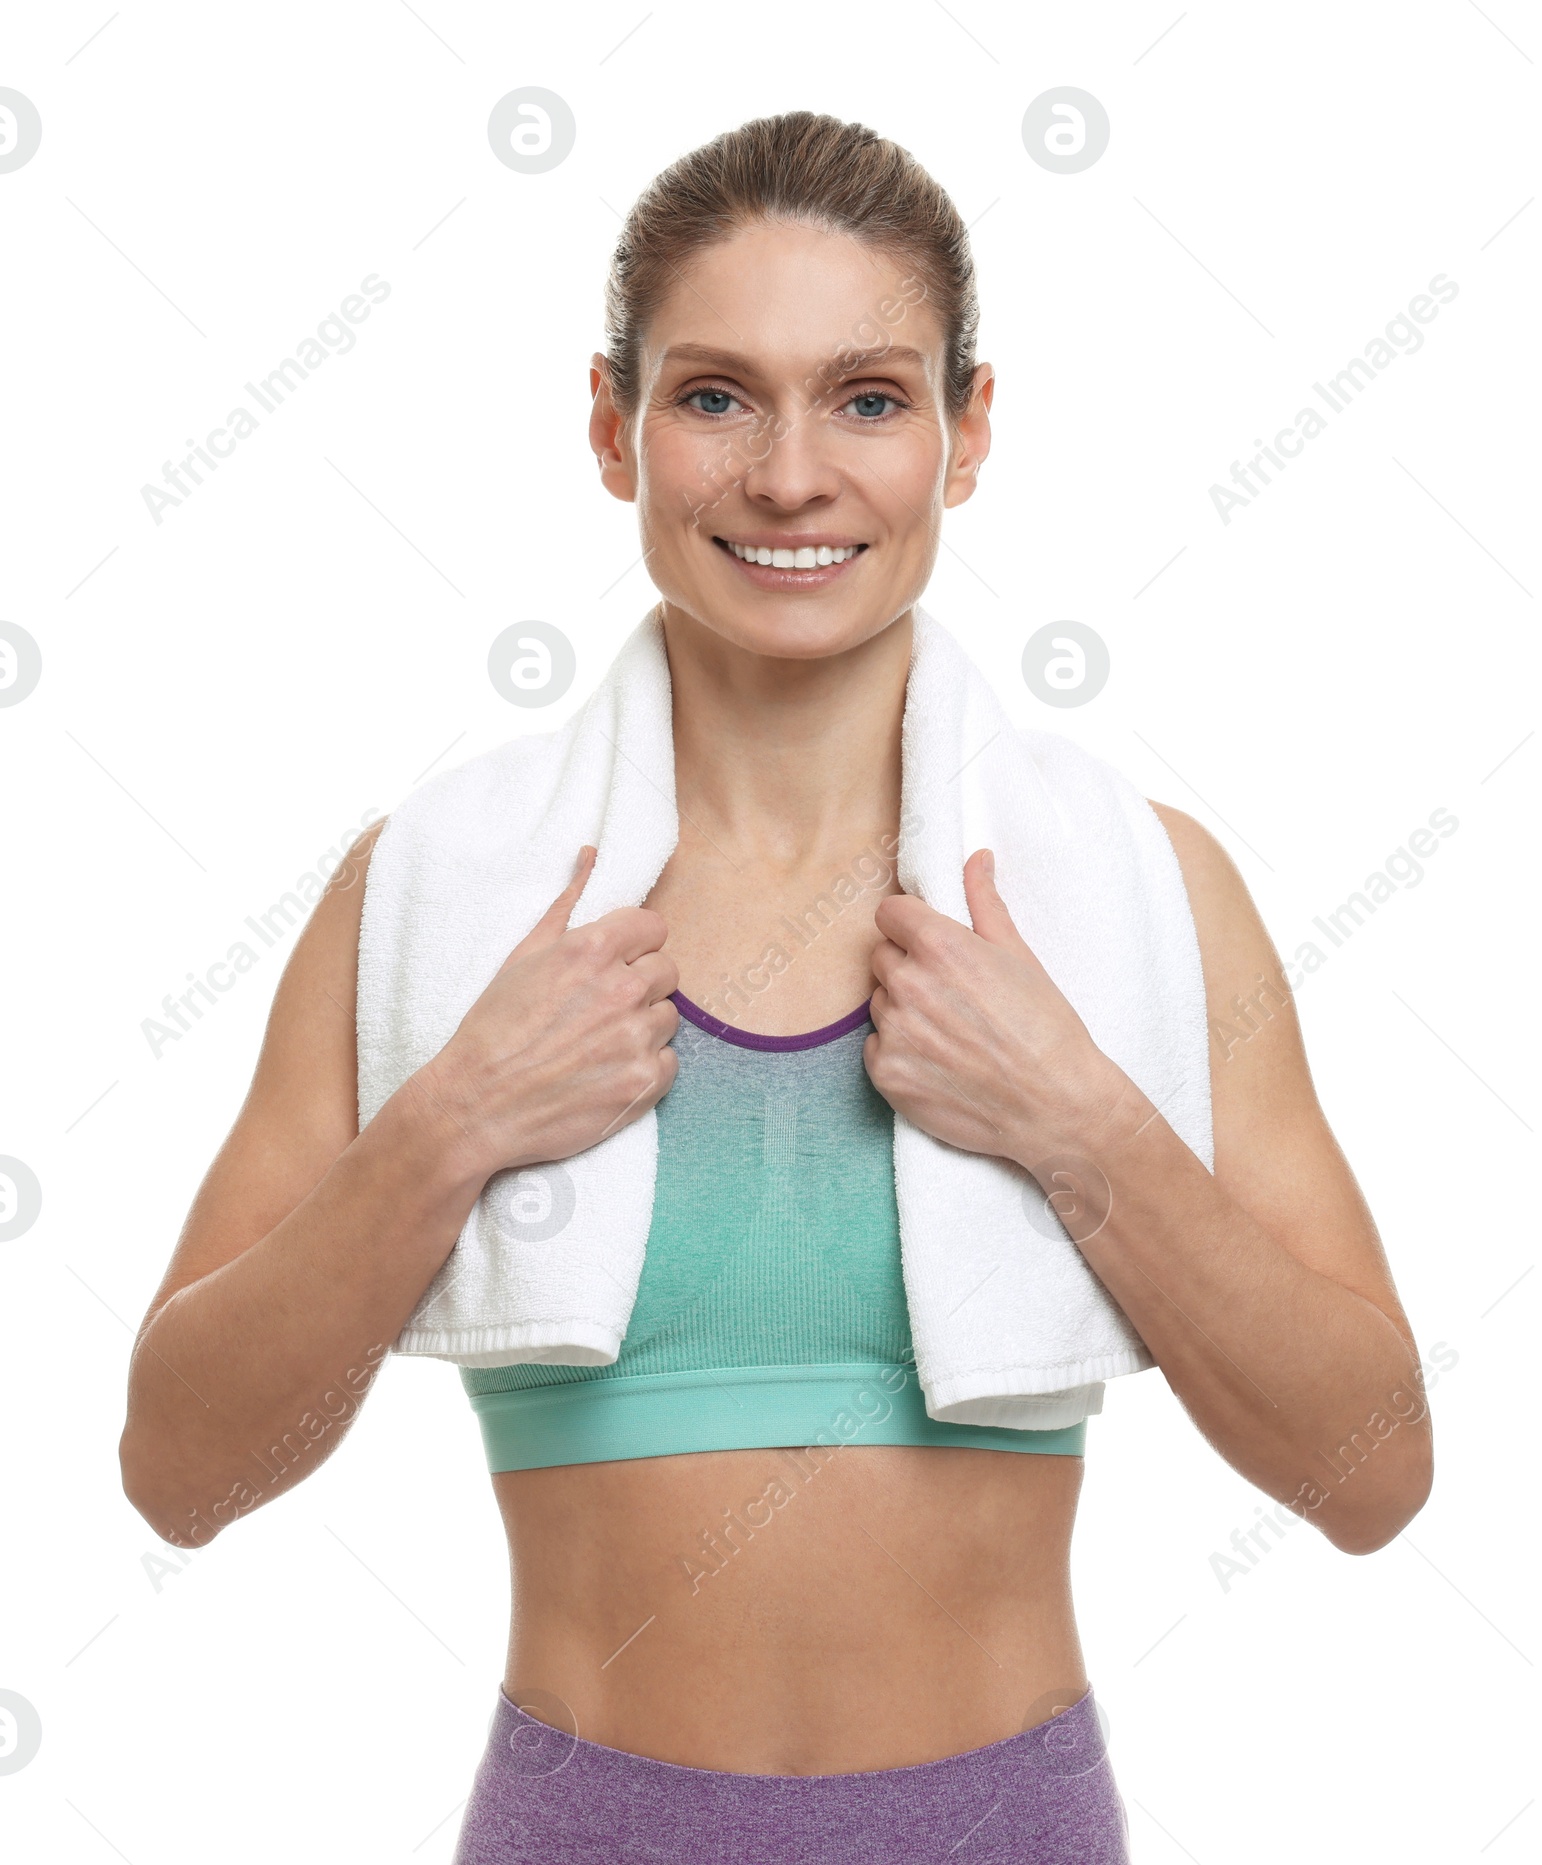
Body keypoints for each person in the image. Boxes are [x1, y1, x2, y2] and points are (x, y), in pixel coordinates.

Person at [120, 110, 1432, 1862]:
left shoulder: (1137, 890)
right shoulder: (441, 892)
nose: (793, 474)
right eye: (717, 394)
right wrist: (454, 1124)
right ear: (615, 429)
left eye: (871, 398)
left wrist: (1078, 1124)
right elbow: (179, 1468)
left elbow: (1372, 1473)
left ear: (969, 435)